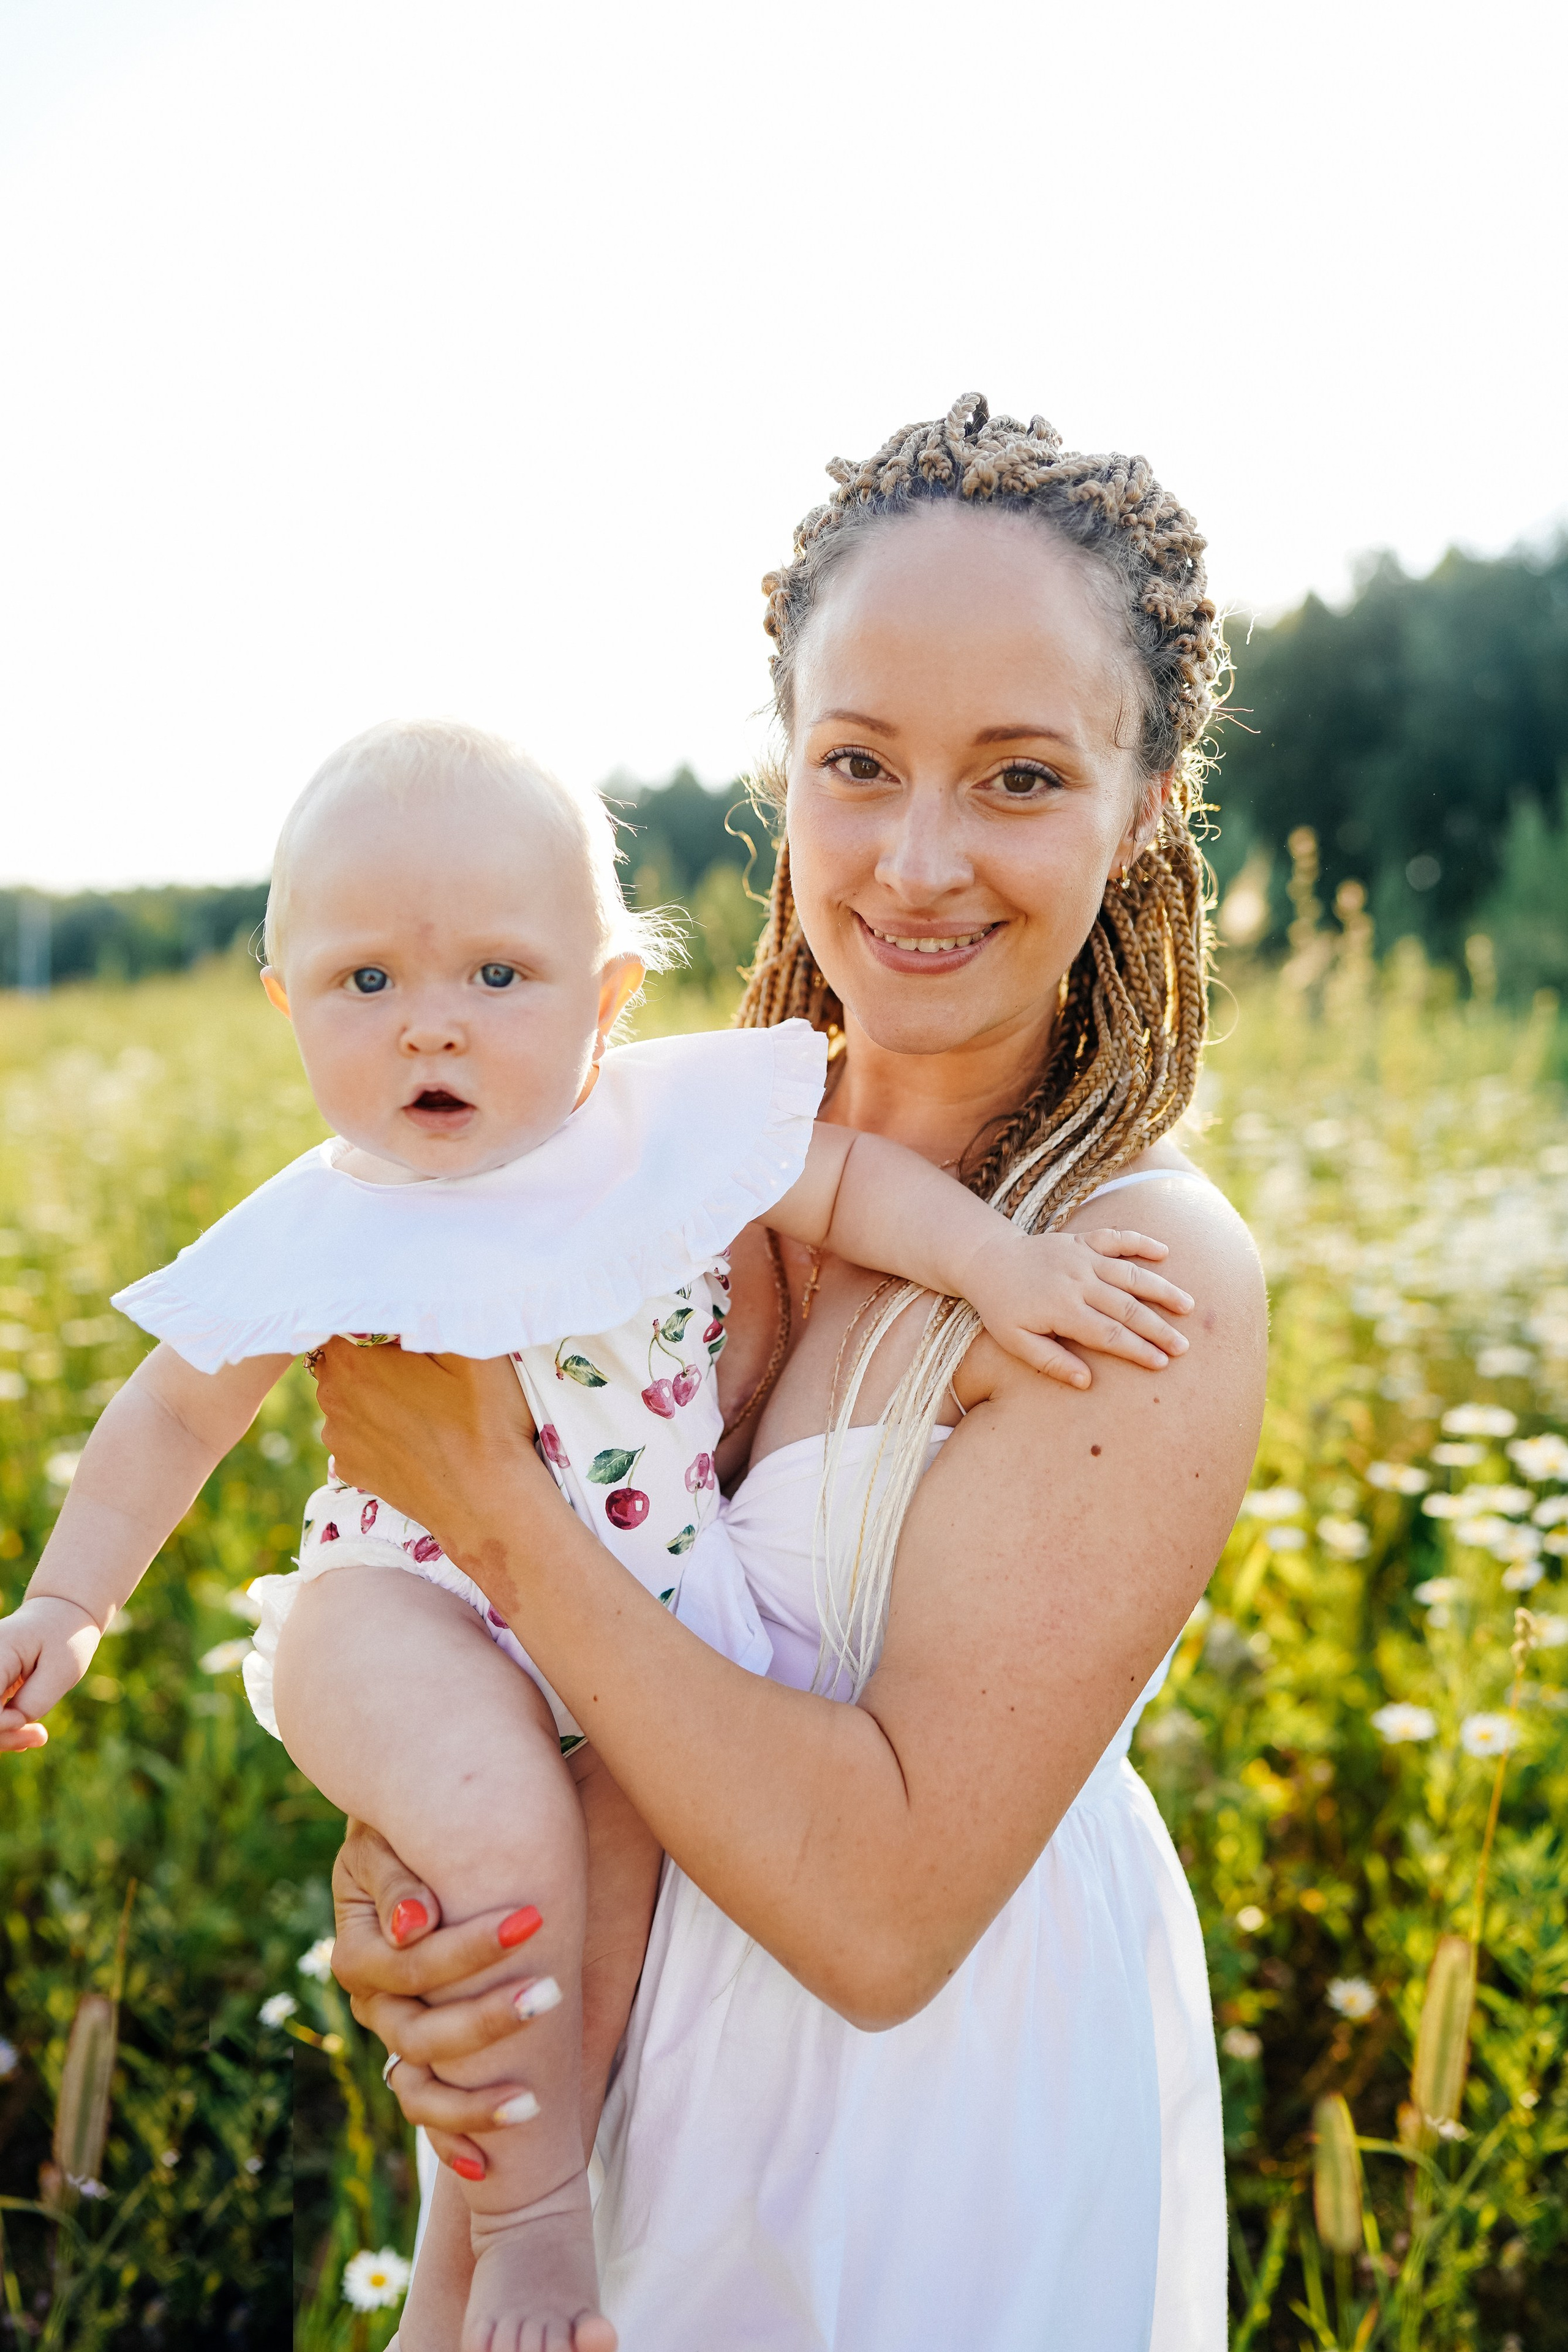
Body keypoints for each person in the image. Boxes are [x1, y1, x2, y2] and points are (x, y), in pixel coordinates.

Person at [0, 711, 1194, 2352]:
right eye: (365, 982)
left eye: (500, 976)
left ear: (609, 994)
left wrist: (1004, 1266)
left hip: (643, 1615)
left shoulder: (654, 1134)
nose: (432, 1024)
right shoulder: (324, 1210)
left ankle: (494, 2257)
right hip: (401, 1603)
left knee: (612, 1925)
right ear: (285, 1004)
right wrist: (70, 1604)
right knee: (499, 1845)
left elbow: (847, 1187)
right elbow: (171, 1418)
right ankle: (523, 2242)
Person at [316, 393, 1270, 2350]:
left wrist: (494, 1510)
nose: (917, 861)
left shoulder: (1130, 1273)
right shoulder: (629, 1172)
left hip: (907, 2167)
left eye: (1021, 778)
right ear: (789, 769)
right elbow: (485, 1669)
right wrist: (415, 1875)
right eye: (859, 764)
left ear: (1146, 802)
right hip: (581, 2125)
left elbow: (881, 1917)